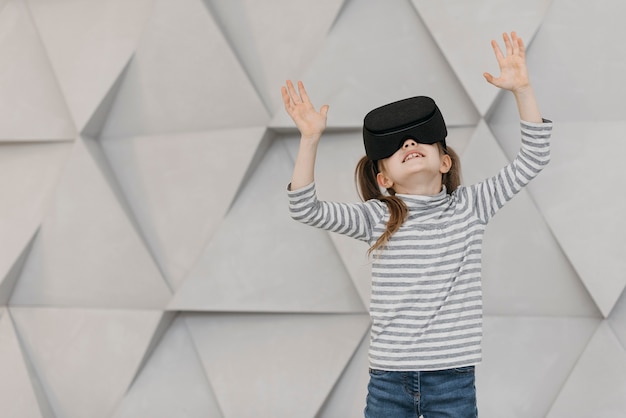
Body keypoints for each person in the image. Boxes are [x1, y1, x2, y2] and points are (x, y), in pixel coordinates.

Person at [282, 32, 551, 418]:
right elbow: (305, 208)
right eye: (396, 146)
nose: (409, 143)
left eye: (420, 139)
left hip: (453, 377)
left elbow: (533, 158)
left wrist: (522, 90)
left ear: (445, 162)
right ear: (384, 180)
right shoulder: (377, 218)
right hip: (389, 377)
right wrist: (309, 139)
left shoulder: (471, 207)